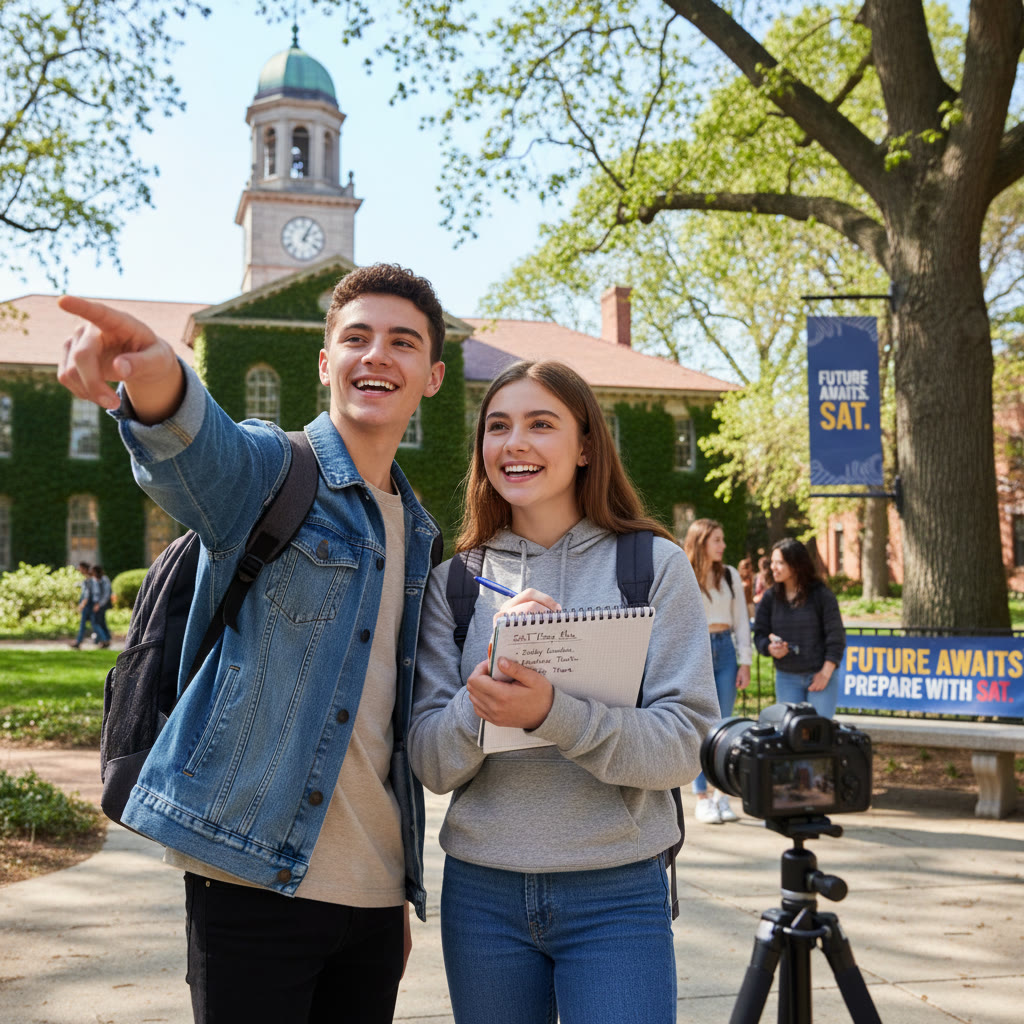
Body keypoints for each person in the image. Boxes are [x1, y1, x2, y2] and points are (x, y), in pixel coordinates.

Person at [56, 263, 447, 1024]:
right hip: (249, 880)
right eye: (356, 338)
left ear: (431, 376)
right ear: (327, 363)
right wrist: (160, 374)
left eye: (402, 343)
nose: (378, 355)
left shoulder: (421, 533)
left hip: (372, 897)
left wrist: (394, 893)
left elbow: (380, 733)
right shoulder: (273, 470)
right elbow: (199, 454)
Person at [410, 360, 718, 1024]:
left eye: (540, 424)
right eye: (497, 427)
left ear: (585, 445)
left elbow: (683, 747)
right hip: (482, 893)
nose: (513, 443)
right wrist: (486, 686)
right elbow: (431, 763)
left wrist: (555, 713)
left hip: (618, 889)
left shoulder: (652, 566)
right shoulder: (455, 585)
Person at [683, 519, 752, 825]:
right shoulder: (684, 572)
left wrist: (746, 661)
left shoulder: (731, 575)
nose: (723, 546)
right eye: (717, 540)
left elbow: (741, 622)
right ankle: (702, 797)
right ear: (701, 542)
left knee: (725, 724)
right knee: (700, 723)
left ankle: (722, 795)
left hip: (725, 650)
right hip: (696, 648)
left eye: (722, 540)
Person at [753, 538, 846, 718]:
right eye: (772, 562)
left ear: (795, 565)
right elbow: (760, 634)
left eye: (780, 562)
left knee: (818, 735)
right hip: (786, 677)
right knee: (791, 737)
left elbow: (836, 638)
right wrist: (769, 648)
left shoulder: (822, 595)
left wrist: (825, 674)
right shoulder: (770, 597)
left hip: (820, 676)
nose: (773, 567)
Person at [68, 561, 95, 649]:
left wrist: (82, 605)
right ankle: (103, 639)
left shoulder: (88, 579)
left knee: (84, 624)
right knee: (95, 624)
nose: (79, 570)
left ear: (84, 569)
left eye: (80, 568)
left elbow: (87, 593)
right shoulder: (88, 579)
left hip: (87, 605)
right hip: (89, 604)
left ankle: (78, 642)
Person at [90, 564, 112, 648]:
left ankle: (104, 639)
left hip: (102, 605)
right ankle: (106, 639)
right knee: (101, 622)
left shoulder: (105, 580)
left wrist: (99, 605)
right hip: (96, 604)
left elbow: (106, 594)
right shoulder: (94, 579)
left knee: (97, 622)